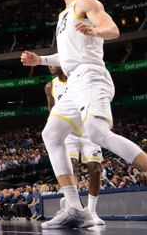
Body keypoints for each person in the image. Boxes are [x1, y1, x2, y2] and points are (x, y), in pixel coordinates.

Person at [21, 0, 147, 229]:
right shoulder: (62, 15)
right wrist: (40, 60)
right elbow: (68, 56)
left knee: (96, 133)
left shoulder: (86, 2)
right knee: (51, 134)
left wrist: (96, 31)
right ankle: (74, 207)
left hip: (92, 77)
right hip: (74, 83)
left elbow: (112, 29)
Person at [45, 65, 105, 226]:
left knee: (95, 168)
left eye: (53, 62)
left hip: (87, 126)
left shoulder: (78, 78)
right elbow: (51, 107)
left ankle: (92, 212)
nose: (50, 66)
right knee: (72, 166)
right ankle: (76, 207)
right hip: (68, 130)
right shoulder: (50, 86)